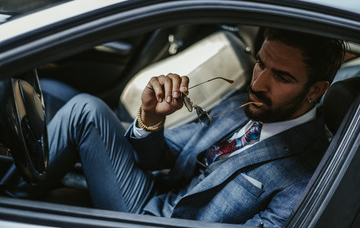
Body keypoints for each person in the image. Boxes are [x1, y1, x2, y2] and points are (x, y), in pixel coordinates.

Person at [12, 28, 345, 227]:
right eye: (260, 62)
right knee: (87, 109)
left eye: (282, 77)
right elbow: (165, 156)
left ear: (316, 90)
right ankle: (9, 200)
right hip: (154, 195)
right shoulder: (242, 103)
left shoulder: (310, 175)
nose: (258, 83)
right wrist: (152, 119)